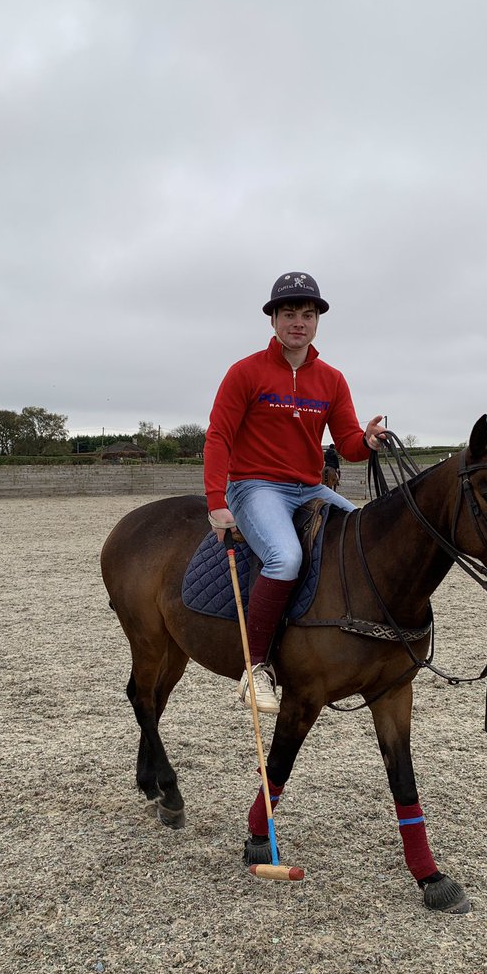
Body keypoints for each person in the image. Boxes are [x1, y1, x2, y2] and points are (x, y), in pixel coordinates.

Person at [204, 271, 387, 712]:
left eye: (308, 314)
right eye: (289, 314)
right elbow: (218, 438)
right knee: (285, 557)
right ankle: (256, 668)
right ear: (273, 320)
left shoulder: (332, 379)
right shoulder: (245, 372)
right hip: (256, 486)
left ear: (317, 321)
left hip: (309, 488)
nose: (298, 322)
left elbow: (345, 444)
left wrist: (367, 441)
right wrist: (218, 504)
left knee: (368, 534)